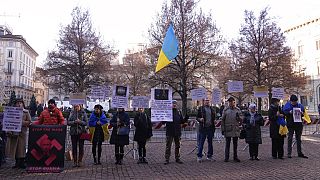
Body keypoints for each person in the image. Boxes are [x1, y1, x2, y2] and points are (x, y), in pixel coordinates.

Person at [6, 98, 31, 169]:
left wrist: (21, 122)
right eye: (18, 103)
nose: (19, 104)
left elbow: (29, 122)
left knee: (21, 148)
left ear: (23, 104)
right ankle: (16, 163)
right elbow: (8, 121)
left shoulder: (26, 112)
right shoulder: (11, 112)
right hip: (14, 133)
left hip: (22, 133)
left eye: (20, 103)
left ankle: (22, 163)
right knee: (15, 148)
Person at [164, 100, 188, 165]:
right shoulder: (168, 112)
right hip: (170, 131)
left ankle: (177, 158)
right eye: (173, 103)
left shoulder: (179, 112)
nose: (174, 105)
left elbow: (181, 121)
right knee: (168, 146)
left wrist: (186, 118)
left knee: (178, 146)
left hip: (177, 131)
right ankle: (167, 159)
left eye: (175, 104)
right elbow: (163, 121)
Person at [221, 97, 242, 162]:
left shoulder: (237, 110)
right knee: (227, 144)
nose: (231, 103)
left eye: (232, 102)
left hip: (235, 129)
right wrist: (223, 129)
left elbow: (241, 119)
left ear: (234, 102)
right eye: (230, 102)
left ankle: (235, 157)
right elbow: (222, 120)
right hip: (228, 129)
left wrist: (239, 118)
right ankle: (226, 157)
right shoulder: (225, 110)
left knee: (235, 144)